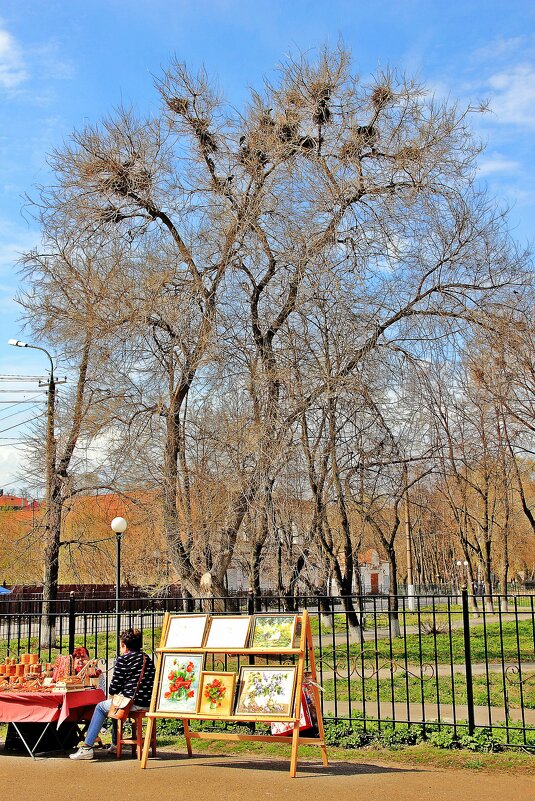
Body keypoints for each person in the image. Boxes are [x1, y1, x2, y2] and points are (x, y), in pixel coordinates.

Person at [70, 628, 156, 760]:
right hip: (148, 704)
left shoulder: (123, 660)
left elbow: (113, 688)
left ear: (124, 645)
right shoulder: (147, 659)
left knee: (101, 707)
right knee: (112, 705)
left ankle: (87, 747)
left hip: (131, 703)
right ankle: (115, 744)